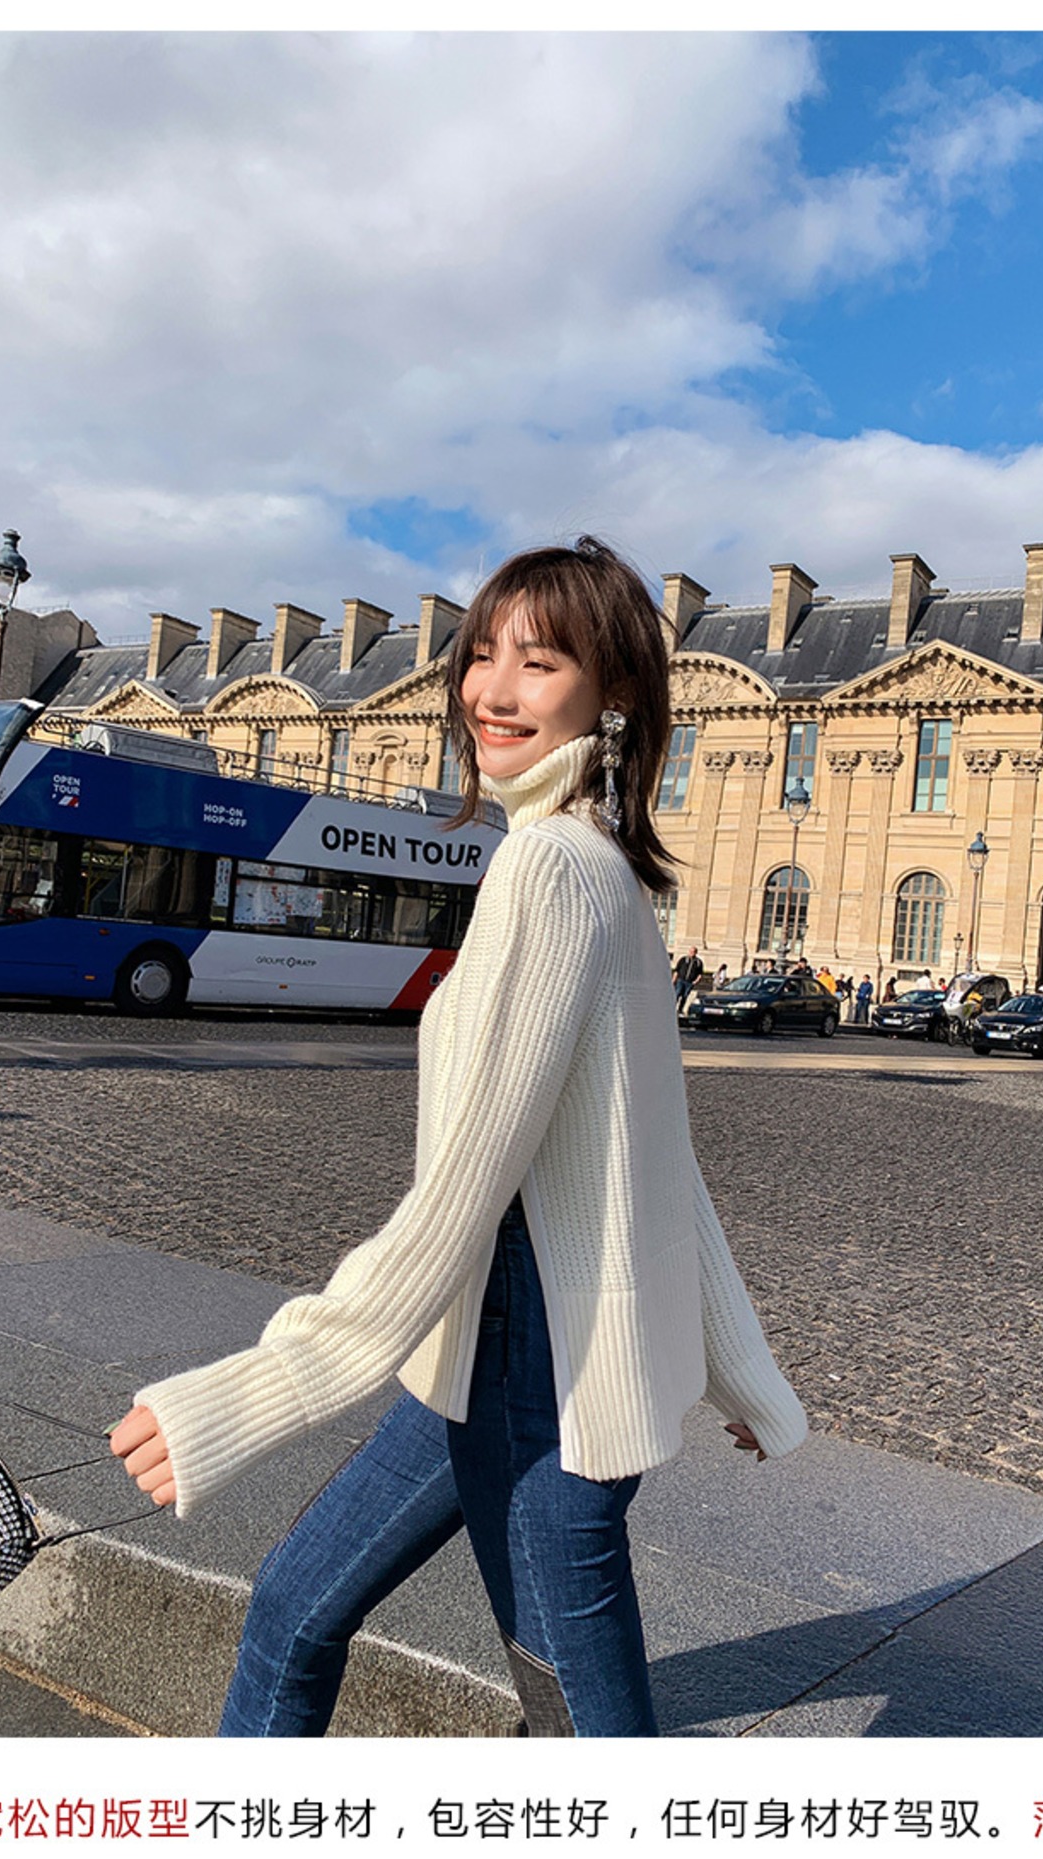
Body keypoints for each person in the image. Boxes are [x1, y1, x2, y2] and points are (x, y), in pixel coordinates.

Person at [110, 537, 806, 1740]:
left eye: (538, 662)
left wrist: (257, 1387)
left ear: (612, 694)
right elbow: (656, 1158)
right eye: (480, 655)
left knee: (577, 1728)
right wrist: (736, 1363)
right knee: (291, 1608)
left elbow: (458, 1198)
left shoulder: (547, 870)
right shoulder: (606, 874)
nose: (490, 689)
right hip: (489, 1350)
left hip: (537, 1367)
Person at [673, 944, 703, 1011]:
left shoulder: (698, 962)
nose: (692, 953)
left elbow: (700, 974)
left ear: (696, 953)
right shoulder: (683, 959)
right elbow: (677, 970)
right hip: (681, 980)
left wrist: (695, 981)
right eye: (691, 951)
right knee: (677, 993)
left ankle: (680, 1009)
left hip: (690, 982)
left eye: (693, 952)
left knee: (685, 996)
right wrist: (674, 979)